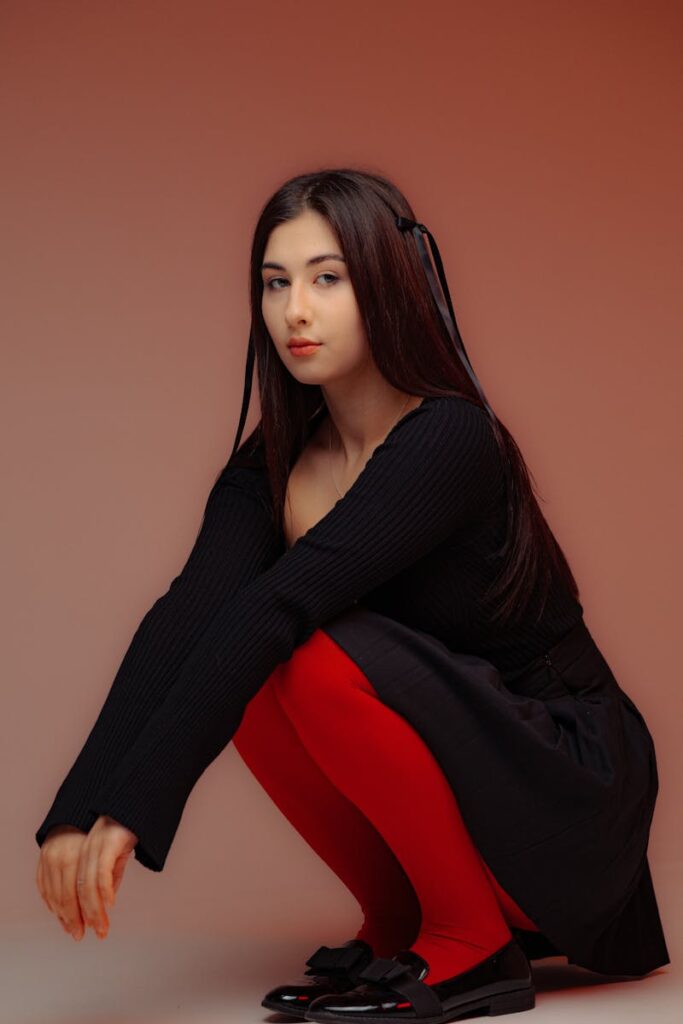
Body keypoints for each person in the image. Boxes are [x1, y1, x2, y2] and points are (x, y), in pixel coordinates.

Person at [35, 168, 669, 1022]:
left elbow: (275, 608)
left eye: (327, 278)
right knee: (249, 663)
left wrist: (135, 811)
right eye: (275, 283)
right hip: (473, 771)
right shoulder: (275, 458)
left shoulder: (449, 437)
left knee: (297, 651)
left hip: (563, 788)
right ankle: (405, 920)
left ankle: (470, 940)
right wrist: (77, 809)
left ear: (387, 283)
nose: (295, 311)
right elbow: (188, 612)